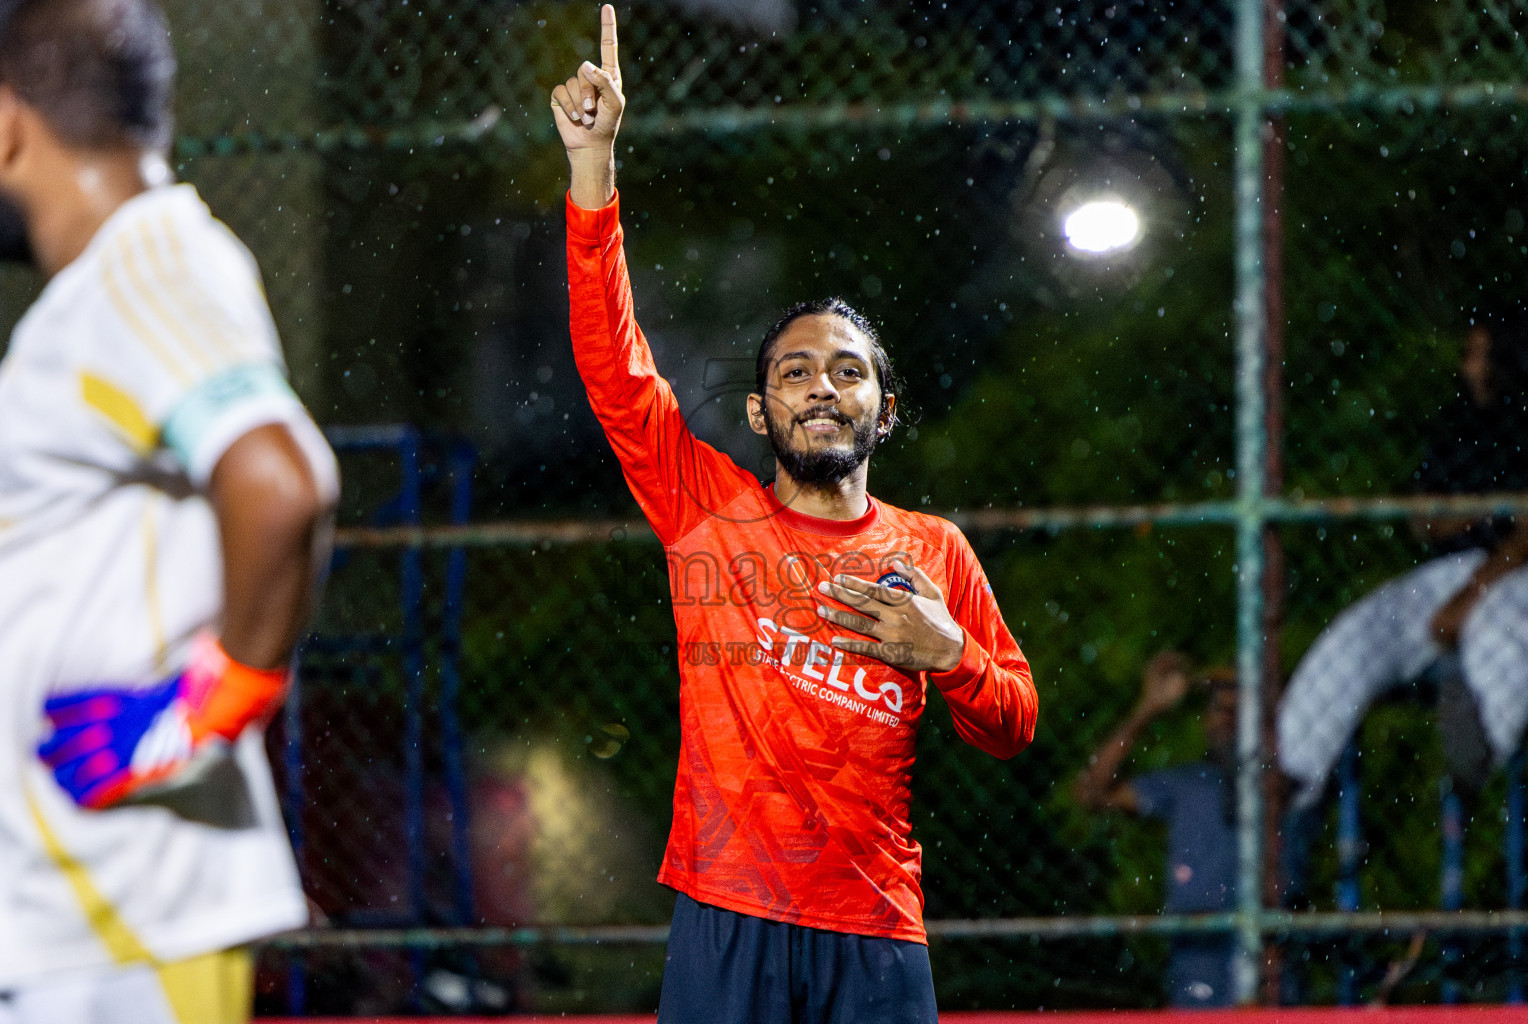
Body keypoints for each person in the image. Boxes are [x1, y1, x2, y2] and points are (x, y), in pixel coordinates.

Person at [549, 7, 1038, 1021]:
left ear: (883, 410)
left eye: (848, 371)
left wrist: (950, 654)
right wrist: (593, 167)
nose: (823, 386)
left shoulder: (934, 550)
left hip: (876, 930)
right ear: (761, 410)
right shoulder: (706, 510)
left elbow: (1011, 725)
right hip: (730, 913)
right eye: (796, 370)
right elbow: (613, 366)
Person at [0, 1, 339, 1021]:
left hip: (124, 919)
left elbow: (282, 478)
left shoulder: (144, 268)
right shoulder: (111, 291)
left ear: (5, 122)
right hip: (67, 920)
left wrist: (209, 707)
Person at [1277, 310, 1528, 811]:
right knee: (1361, 632)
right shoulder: (1456, 426)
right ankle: (1289, 772)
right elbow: (1422, 520)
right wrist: (1493, 507)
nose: (1469, 364)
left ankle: (1478, 754)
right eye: (1469, 353)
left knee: (1501, 634)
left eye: (1480, 353)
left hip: (1516, 571)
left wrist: (1471, 586)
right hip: (1453, 569)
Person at [1071, 653, 1239, 1009]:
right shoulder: (1188, 783)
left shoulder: (1286, 782)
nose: (1222, 718)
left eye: (1235, 708)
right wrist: (1148, 709)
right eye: (1215, 707)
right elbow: (1091, 792)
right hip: (1197, 959)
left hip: (1273, 956)